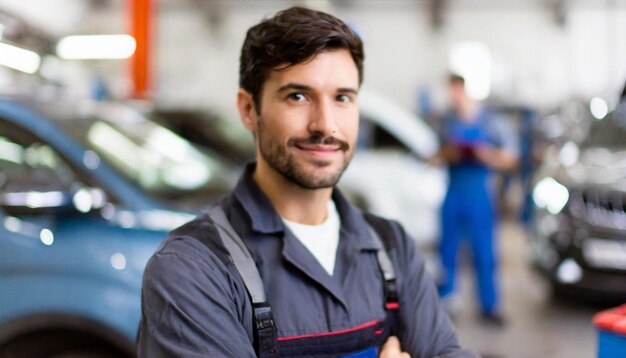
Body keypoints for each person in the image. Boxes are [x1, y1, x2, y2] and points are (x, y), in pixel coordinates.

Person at [138, 7, 477, 358]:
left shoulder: (393, 249)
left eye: (342, 97)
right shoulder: (193, 269)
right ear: (248, 110)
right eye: (297, 96)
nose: (325, 125)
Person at [434, 74, 519, 326]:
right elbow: (436, 156)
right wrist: (449, 154)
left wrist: (486, 155)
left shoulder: (491, 121)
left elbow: (511, 158)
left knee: (484, 251)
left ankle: (489, 306)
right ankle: (447, 302)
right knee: (447, 249)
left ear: (463, 89)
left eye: (456, 91)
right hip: (454, 192)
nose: (453, 97)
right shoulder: (446, 122)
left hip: (480, 194)